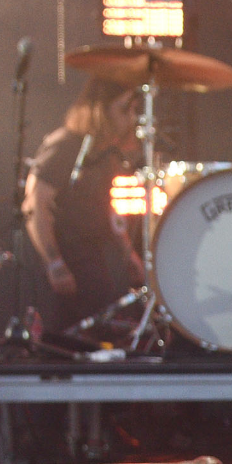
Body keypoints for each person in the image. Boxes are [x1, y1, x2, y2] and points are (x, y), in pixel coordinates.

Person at [22, 77, 145, 335]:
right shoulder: (66, 145)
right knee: (63, 336)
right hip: (62, 255)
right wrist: (54, 263)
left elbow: (109, 208)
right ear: (100, 110)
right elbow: (35, 205)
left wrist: (127, 253)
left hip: (90, 256)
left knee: (98, 327)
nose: (132, 118)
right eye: (124, 109)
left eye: (134, 110)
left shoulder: (106, 152)